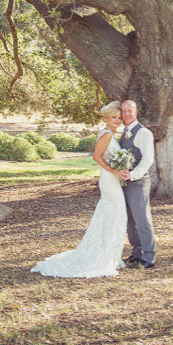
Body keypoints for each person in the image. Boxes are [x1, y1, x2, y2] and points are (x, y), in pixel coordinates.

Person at [31, 101, 128, 278]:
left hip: (113, 180)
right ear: (107, 118)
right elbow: (97, 158)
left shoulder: (111, 134)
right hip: (108, 180)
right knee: (117, 215)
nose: (117, 120)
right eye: (114, 117)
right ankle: (104, 258)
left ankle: (111, 256)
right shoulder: (106, 135)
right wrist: (114, 171)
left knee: (111, 215)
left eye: (120, 118)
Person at [117, 99, 156, 268]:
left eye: (129, 111)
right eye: (123, 111)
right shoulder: (125, 131)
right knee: (130, 221)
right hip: (125, 183)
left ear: (136, 112)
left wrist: (132, 175)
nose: (126, 114)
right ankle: (137, 253)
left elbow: (148, 159)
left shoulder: (143, 133)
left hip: (138, 182)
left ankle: (148, 256)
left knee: (142, 220)